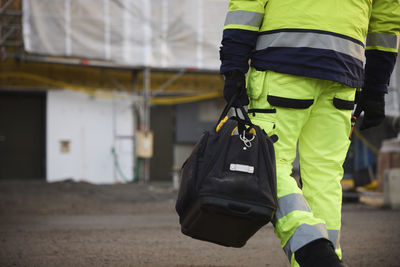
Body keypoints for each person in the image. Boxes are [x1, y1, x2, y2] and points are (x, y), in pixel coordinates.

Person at [219, 1, 399, 266]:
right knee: (325, 176)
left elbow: (247, 6)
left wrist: (233, 67)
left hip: (283, 63)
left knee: (267, 165)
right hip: (343, 72)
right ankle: (329, 259)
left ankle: (314, 252)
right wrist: (376, 87)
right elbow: (386, 19)